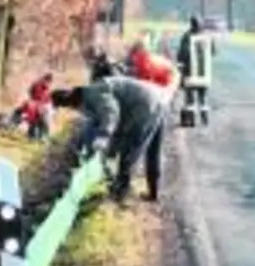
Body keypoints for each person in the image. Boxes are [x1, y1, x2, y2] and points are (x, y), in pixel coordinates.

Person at [51, 74, 174, 203]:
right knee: (152, 149)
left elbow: (111, 113)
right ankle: (153, 194)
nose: (74, 110)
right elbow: (106, 122)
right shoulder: (92, 92)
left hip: (145, 105)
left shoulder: (95, 95)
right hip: (157, 99)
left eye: (69, 107)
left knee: (130, 151)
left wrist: (104, 137)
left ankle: (119, 194)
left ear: (72, 103)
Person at [177, 15, 218, 127]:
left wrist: (181, 69)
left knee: (190, 99)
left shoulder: (186, 37)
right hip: (204, 74)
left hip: (190, 75)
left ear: (191, 24)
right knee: (203, 97)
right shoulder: (208, 37)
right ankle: (204, 118)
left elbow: (181, 56)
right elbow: (213, 52)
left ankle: (191, 119)